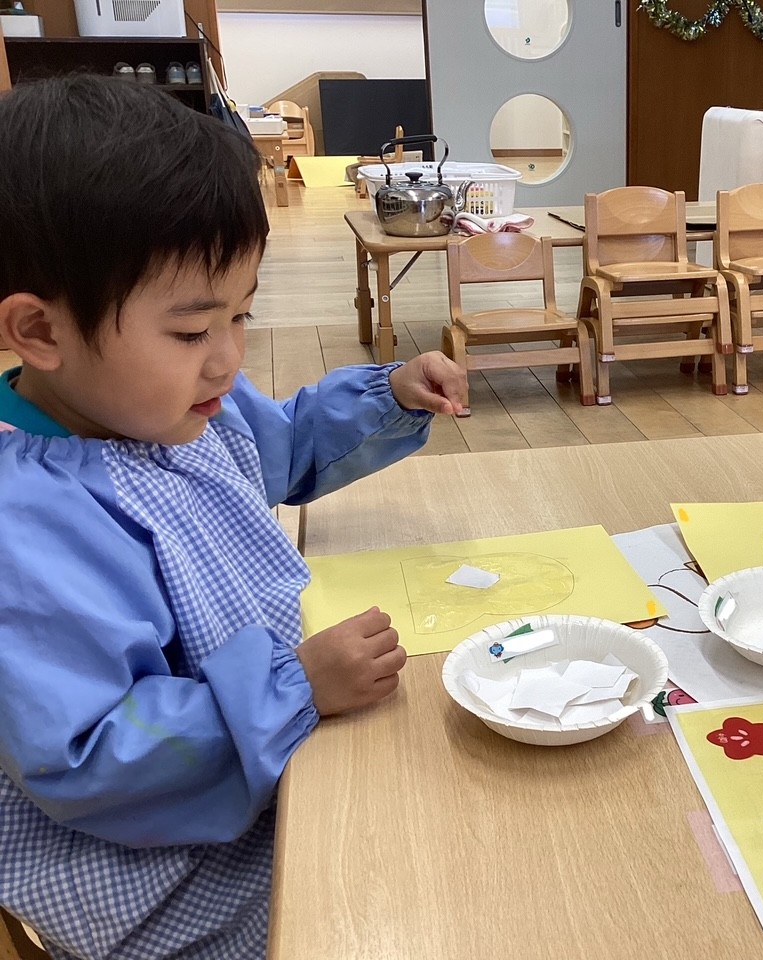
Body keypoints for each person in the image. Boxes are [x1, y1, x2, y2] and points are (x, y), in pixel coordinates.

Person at [0, 75, 468, 958]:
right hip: (164, 874)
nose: (226, 360)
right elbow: (89, 755)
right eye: (190, 332)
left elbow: (277, 448)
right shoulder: (25, 527)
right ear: (41, 332)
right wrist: (295, 689)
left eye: (242, 315)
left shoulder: (178, 407)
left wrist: (390, 395)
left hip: (275, 751)